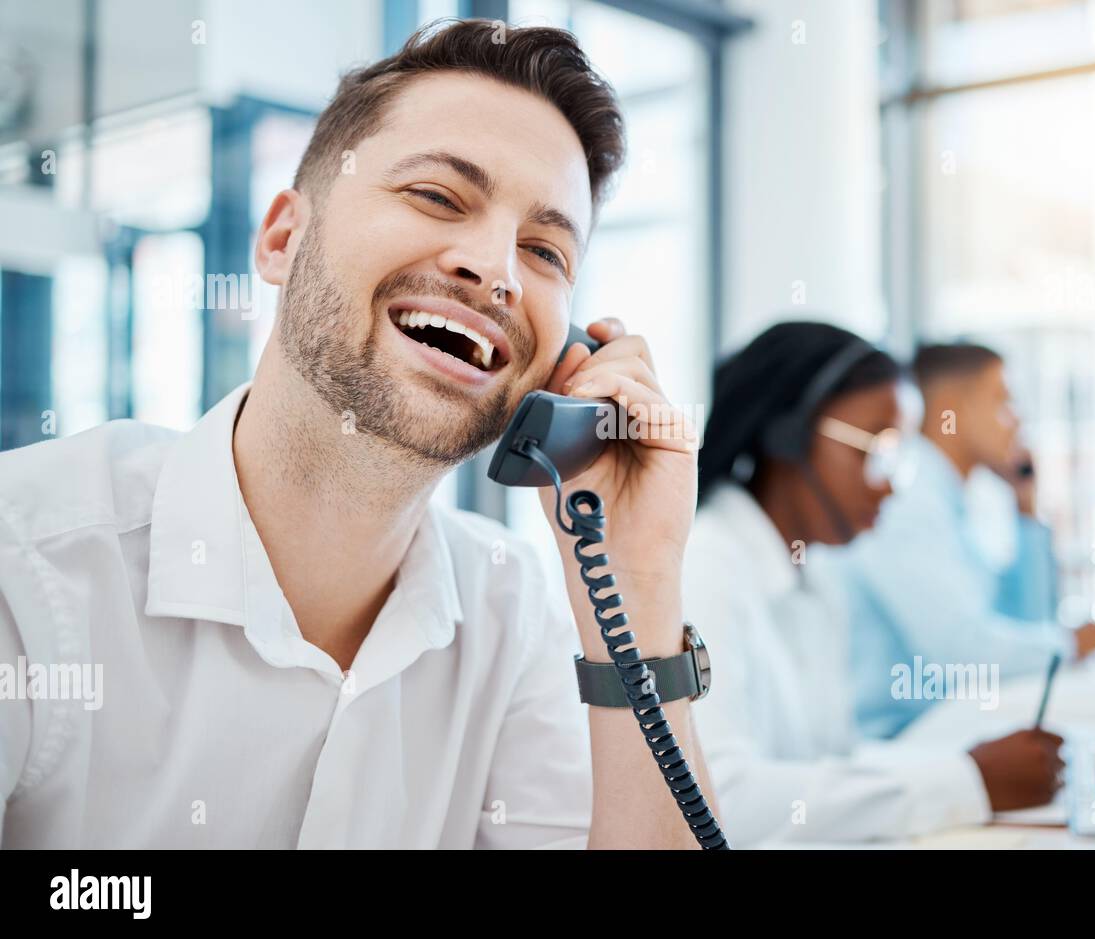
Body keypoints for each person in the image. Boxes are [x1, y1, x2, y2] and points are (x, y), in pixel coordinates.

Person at [0, 19, 718, 849]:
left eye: (546, 249)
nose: (496, 270)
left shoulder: (513, 614)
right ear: (281, 238)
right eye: (438, 197)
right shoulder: (30, 565)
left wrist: (634, 587)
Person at [683, 322, 1065, 847]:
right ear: (788, 437)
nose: (889, 485)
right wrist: (967, 781)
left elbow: (831, 761)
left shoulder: (814, 574)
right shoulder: (706, 564)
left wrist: (970, 765)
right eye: (875, 453)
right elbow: (720, 799)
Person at [847, 342, 1095, 738]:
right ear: (951, 409)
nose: (1017, 420)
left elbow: (1025, 621)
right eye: (1003, 401)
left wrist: (1025, 509)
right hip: (902, 741)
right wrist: (1070, 644)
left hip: (949, 725)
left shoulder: (954, 502)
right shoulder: (906, 502)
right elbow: (962, 655)